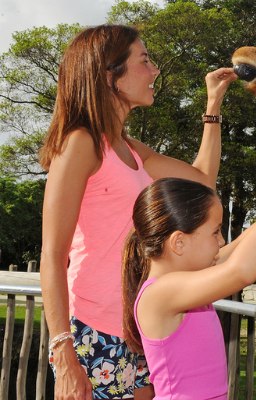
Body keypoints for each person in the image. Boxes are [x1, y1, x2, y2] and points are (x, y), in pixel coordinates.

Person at [38, 24, 241, 399]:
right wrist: (63, 350)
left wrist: (212, 106)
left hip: (139, 327)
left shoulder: (130, 148)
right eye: (144, 61)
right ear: (109, 75)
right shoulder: (80, 144)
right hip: (95, 332)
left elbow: (201, 183)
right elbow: (52, 254)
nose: (155, 71)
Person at [121, 167, 256, 399]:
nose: (222, 240)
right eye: (215, 232)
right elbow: (241, 271)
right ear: (179, 243)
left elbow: (243, 246)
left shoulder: (188, 279)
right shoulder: (159, 294)